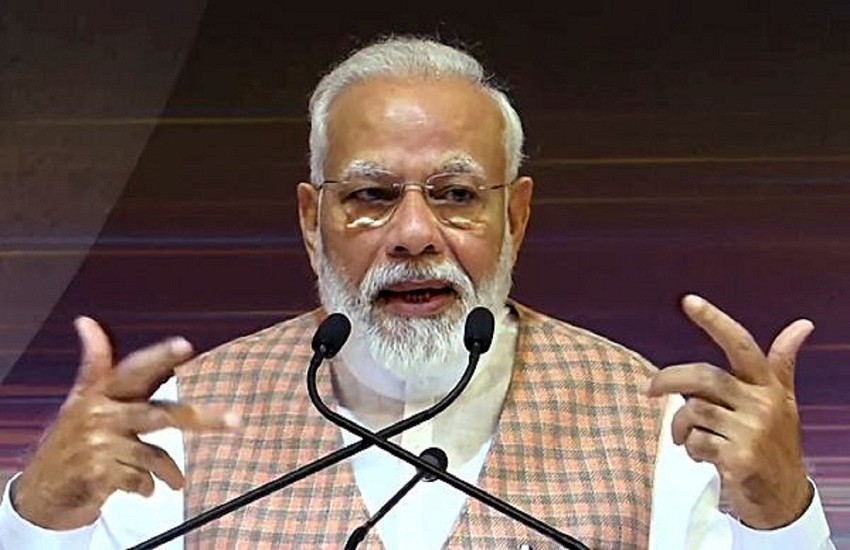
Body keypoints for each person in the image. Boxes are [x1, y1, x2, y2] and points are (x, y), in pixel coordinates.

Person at [0, 36, 835, 549]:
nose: (412, 234)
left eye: (456, 194)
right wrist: (36, 519)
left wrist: (779, 516)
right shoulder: (182, 423)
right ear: (311, 219)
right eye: (370, 195)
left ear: (515, 215)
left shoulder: (655, 423)